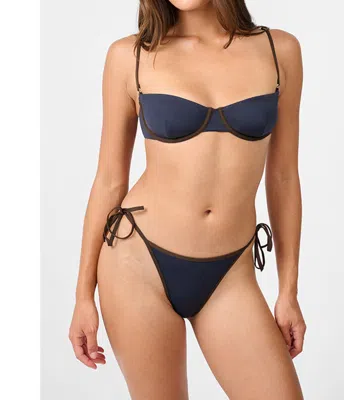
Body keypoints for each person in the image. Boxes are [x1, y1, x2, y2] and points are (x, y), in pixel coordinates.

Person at [69, 0, 306, 398]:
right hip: (137, 264)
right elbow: (109, 181)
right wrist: (82, 296)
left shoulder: (279, 51)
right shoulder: (130, 56)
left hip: (231, 274)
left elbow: (283, 177)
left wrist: (289, 291)